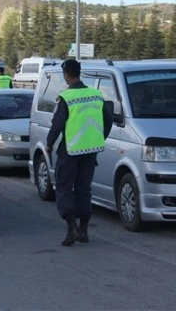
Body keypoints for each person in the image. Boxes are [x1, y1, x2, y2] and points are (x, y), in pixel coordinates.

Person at [46, 59, 113, 246]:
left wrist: (49, 144)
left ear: (67, 75)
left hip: (70, 151)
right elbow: (108, 120)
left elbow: (57, 125)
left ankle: (71, 227)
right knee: (84, 190)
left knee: (64, 188)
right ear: (79, 73)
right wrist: (100, 138)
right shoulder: (96, 94)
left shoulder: (66, 97)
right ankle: (84, 231)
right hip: (91, 151)